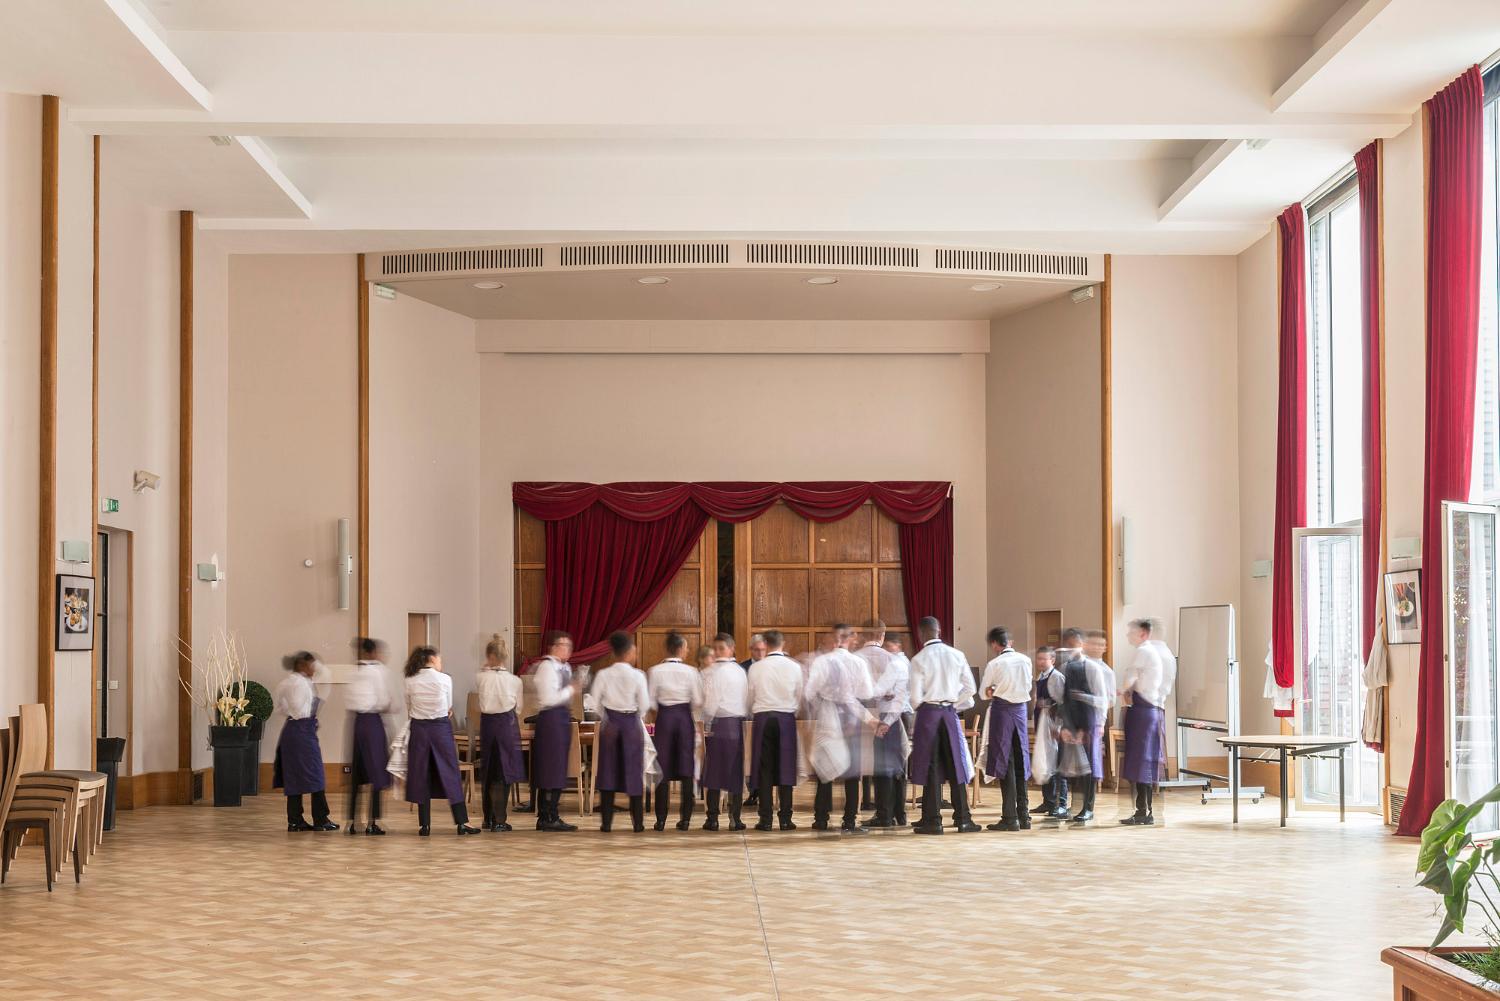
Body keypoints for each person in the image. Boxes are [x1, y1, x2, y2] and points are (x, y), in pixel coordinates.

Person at [907, 617, 980, 834]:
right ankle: (963, 819)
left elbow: (913, 698)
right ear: (939, 631)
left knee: (931, 766)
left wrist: (929, 706)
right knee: (957, 765)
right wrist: (951, 704)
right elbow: (970, 688)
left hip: (928, 713)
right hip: (949, 713)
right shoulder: (957, 654)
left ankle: (932, 819)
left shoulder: (918, 659)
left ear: (921, 634)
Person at [402, 645, 481, 836]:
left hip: (419, 729)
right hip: (440, 729)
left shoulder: (409, 680)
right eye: (439, 659)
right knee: (450, 773)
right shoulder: (445, 679)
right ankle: (462, 823)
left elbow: (409, 706)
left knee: (422, 774)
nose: (441, 662)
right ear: (431, 659)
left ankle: (425, 825)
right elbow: (448, 706)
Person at [808, 625, 876, 835]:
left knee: (824, 770)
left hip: (828, 716)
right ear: (850, 640)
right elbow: (866, 692)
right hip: (851, 719)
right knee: (852, 773)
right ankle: (849, 821)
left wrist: (824, 701)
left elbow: (809, 692)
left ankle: (821, 819)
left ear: (834, 639)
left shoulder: (821, 661)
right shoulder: (857, 662)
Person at [591, 631, 653, 833]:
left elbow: (594, 702)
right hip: (631, 725)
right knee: (634, 772)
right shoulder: (638, 675)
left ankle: (606, 824)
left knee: (608, 771)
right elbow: (644, 705)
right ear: (629, 652)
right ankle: (638, 824)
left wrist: (607, 716)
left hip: (610, 725)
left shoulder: (603, 674)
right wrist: (635, 716)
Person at [1118, 618, 1176, 826]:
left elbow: (1129, 679)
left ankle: (1144, 811)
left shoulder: (1145, 651)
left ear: (1144, 633)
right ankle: (1143, 809)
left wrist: (1124, 690)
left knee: (1142, 761)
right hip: (1151, 710)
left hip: (1144, 711)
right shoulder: (1163, 654)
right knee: (1144, 760)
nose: (1128, 636)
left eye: (1131, 633)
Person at [273, 650, 339, 832]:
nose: (314, 669)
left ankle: (295, 820)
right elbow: (297, 706)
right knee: (316, 774)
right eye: (311, 665)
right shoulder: (301, 684)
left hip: (291, 730)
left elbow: (280, 708)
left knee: (294, 776)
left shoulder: (285, 682)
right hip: (302, 730)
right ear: (302, 665)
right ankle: (320, 818)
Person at [747, 629, 804, 831]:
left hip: (763, 717)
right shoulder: (794, 667)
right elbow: (799, 696)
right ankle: (786, 818)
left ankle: (765, 819)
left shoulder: (756, 668)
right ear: (783, 643)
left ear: (766, 644)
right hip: (786, 717)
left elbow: (750, 697)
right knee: (786, 767)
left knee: (764, 770)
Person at [647, 631, 704, 831]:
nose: (688, 651)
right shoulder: (692, 672)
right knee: (686, 767)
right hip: (683, 719)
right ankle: (685, 819)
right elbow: (697, 701)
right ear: (680, 649)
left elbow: (651, 702)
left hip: (664, 719)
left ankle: (661, 819)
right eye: (687, 647)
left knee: (662, 768)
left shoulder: (655, 671)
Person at [979, 627, 1032, 831]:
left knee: (1005, 761)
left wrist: (992, 690)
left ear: (994, 644)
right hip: (1020, 711)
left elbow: (984, 693)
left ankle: (1010, 817)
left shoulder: (995, 663)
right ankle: (1024, 816)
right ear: (1009, 642)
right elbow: (1028, 686)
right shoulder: (1025, 660)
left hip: (1002, 711)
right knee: (1021, 759)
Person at [855, 621, 907, 829]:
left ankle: (883, 814)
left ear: (862, 635)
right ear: (882, 635)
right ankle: (899, 813)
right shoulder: (893, 660)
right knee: (896, 766)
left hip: (864, 717)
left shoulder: (856, 658)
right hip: (890, 716)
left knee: (879, 767)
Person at [1057, 637, 1114, 825]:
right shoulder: (1066, 668)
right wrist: (1064, 725)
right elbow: (1063, 699)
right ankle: (1074, 806)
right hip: (1071, 720)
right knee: (1073, 767)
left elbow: (1103, 700)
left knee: (1088, 766)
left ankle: (1088, 808)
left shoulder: (1094, 668)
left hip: (1089, 720)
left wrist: (1099, 723)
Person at [530, 632, 579, 832]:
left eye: (569, 645)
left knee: (559, 768)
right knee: (550, 768)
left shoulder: (565, 667)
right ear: (553, 646)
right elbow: (549, 698)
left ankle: (552, 813)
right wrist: (571, 690)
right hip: (550, 720)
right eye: (564, 645)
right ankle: (546, 815)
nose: (568, 649)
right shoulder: (547, 667)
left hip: (561, 719)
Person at [476, 634, 525, 832]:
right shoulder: (515, 681)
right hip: (507, 724)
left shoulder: (480, 677)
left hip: (487, 725)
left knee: (488, 770)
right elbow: (519, 708)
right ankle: (500, 819)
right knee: (504, 771)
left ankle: (487, 818)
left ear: (489, 656)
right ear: (505, 657)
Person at [700, 633, 749, 831]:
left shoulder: (709, 672)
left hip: (718, 723)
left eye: (721, 648)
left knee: (714, 771)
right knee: (733, 772)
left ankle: (713, 819)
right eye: (716, 648)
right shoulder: (739, 671)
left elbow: (709, 702)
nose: (718, 652)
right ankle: (734, 819)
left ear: (731, 649)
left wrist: (707, 723)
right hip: (735, 724)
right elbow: (746, 698)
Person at [345, 637, 392, 835]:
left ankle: (352, 822)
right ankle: (373, 822)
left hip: (357, 723)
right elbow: (383, 700)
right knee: (376, 773)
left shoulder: (354, 672)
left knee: (357, 773)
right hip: (372, 723)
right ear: (372, 653)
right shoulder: (378, 671)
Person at [1029, 646, 1069, 818]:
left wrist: (1057, 725)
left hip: (1054, 725)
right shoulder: (1040, 677)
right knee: (1045, 760)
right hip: (1042, 722)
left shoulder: (1057, 677)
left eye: (1044, 659)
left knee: (1056, 763)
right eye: (1038, 659)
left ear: (1052, 660)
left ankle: (1060, 803)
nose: (1040, 662)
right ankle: (1048, 801)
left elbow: (1063, 703)